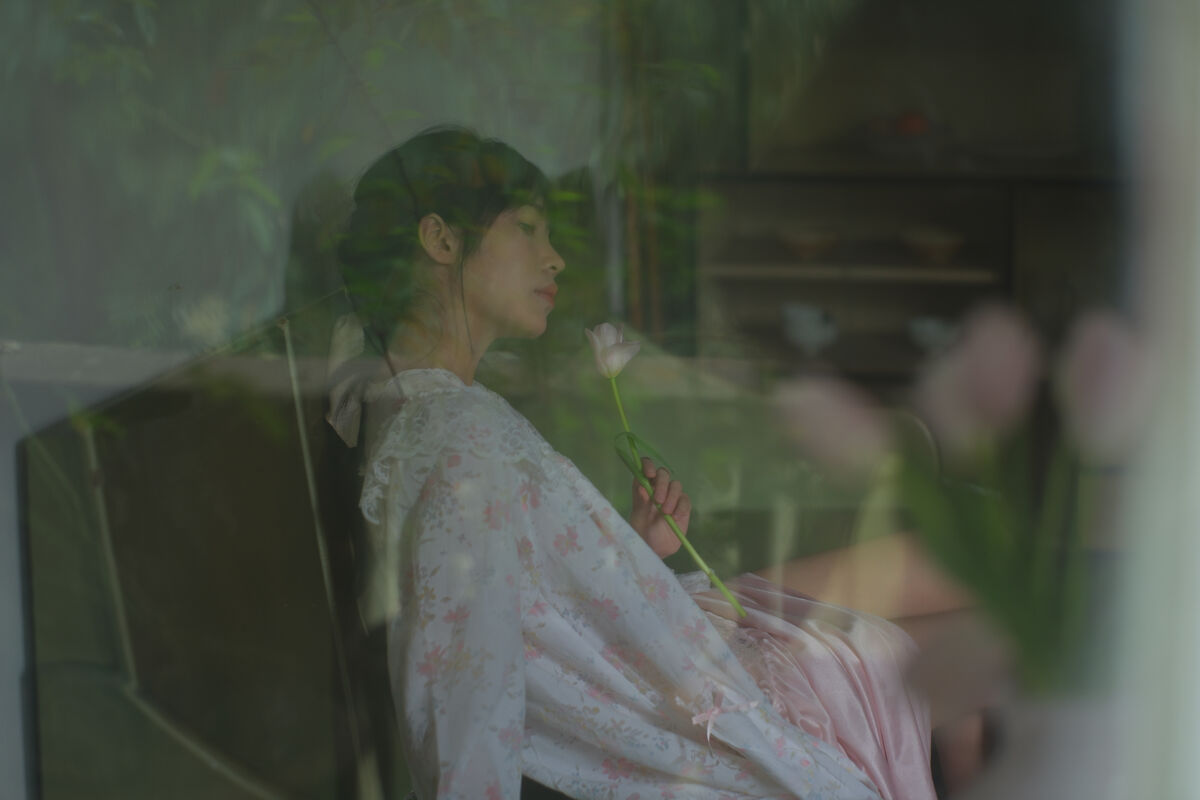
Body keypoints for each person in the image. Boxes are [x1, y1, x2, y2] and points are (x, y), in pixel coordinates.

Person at [328, 126, 941, 800]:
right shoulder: (455, 437)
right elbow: (464, 691)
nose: (555, 258)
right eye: (527, 228)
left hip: (679, 639)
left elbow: (526, 610)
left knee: (953, 602)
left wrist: (627, 551)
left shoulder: (434, 412)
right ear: (441, 241)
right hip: (700, 694)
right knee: (962, 595)